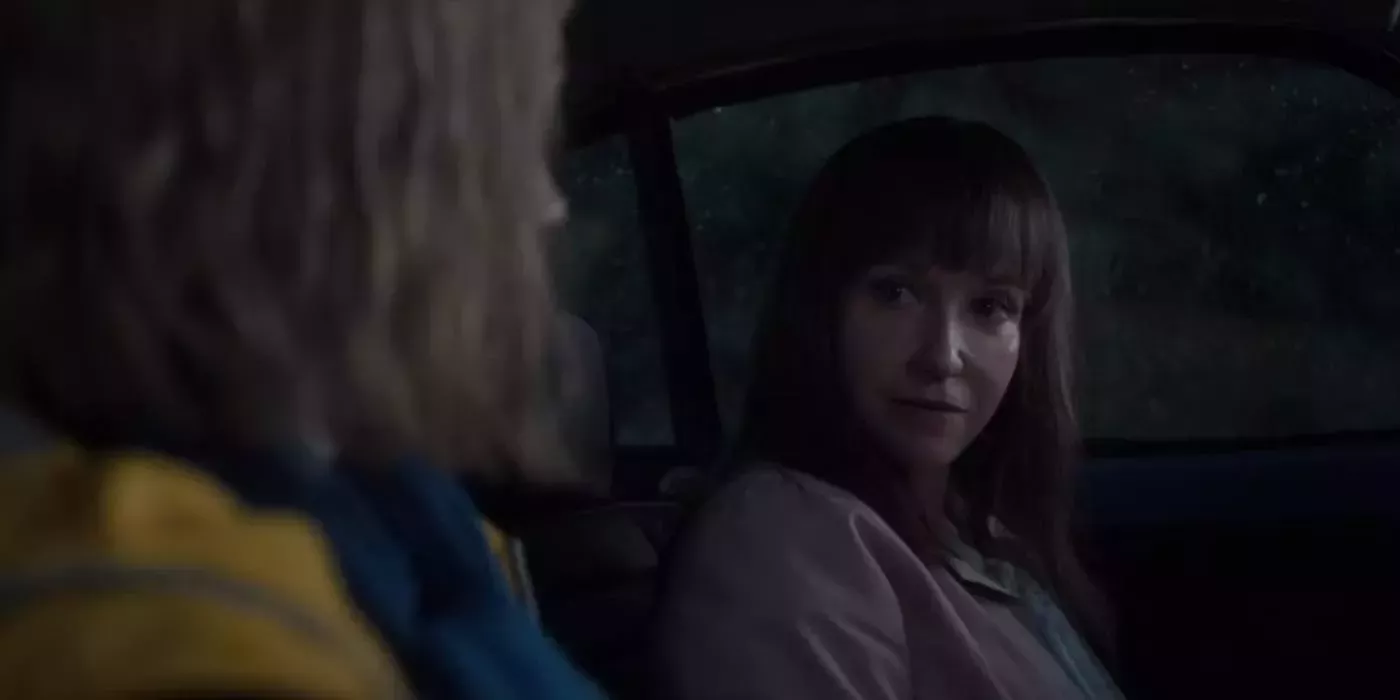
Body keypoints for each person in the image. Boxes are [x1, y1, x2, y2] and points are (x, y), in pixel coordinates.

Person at [0, 1, 602, 698]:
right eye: (503, 142)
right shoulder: (181, 644)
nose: (547, 204)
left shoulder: (394, 523)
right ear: (329, 177)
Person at [657, 117, 1123, 700]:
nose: (942, 357)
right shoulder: (782, 537)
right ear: (821, 308)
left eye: (989, 307)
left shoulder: (976, 530)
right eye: (895, 293)